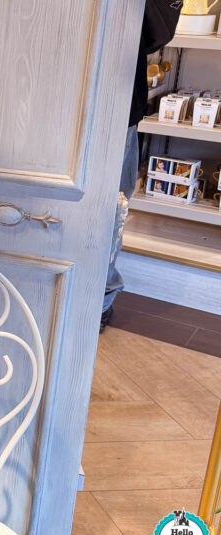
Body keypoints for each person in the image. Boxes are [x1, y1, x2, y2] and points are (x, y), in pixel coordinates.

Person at [101, 0, 181, 332]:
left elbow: (154, 31)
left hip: (112, 98)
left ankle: (97, 301)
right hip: (39, 93)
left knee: (107, 209)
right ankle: (93, 300)